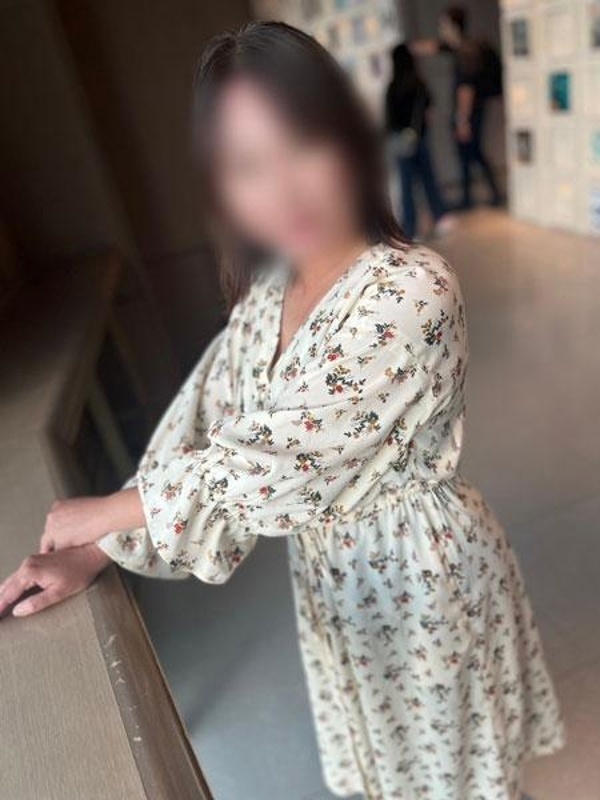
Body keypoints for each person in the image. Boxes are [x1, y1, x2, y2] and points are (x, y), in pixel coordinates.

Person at [0, 22, 562, 800]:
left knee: (454, 776)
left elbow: (281, 464)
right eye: (247, 166)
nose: (284, 188)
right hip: (334, 583)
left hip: (423, 578)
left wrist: (110, 513)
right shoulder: (267, 296)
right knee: (385, 764)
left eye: (302, 144)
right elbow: (202, 428)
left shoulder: (413, 289)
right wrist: (100, 549)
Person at [411, 4, 503, 209]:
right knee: (471, 154)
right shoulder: (460, 47)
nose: (440, 28)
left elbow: (466, 90)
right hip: (472, 112)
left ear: (453, 26)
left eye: (443, 24)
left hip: (469, 113)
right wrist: (408, 49)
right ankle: (480, 196)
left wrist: (462, 120)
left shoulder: (465, 52)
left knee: (470, 153)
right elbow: (436, 46)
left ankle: (477, 198)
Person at [385, 44, 455, 240]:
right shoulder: (419, 85)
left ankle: (410, 230)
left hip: (400, 144)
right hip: (420, 139)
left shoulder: (392, 88)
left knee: (407, 187)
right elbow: (429, 113)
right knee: (429, 180)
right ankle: (440, 218)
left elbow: (389, 120)